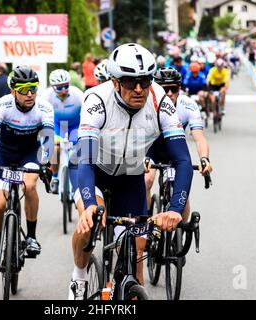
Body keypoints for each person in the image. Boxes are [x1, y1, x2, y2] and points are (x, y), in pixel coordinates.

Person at [68, 43, 193, 300]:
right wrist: (90, 204)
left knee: (138, 247)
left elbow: (182, 160)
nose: (139, 89)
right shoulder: (96, 100)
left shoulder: (159, 101)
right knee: (89, 224)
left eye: (145, 80)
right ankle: (79, 278)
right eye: (130, 81)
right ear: (115, 82)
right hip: (95, 171)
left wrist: (174, 208)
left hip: (130, 176)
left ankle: (132, 292)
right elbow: (86, 161)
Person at [0, 66, 55, 272]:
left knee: (29, 186)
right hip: (5, 155)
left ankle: (31, 236)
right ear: (13, 91)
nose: (30, 94)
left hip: (30, 154)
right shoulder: (3, 105)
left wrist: (46, 163)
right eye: (24, 89)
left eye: (33, 89)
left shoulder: (44, 108)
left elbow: (47, 139)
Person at [145, 67, 213, 222]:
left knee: (181, 190)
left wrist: (204, 158)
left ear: (179, 89)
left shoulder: (188, 105)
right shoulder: (147, 105)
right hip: (152, 148)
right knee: (146, 180)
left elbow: (199, 138)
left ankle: (178, 230)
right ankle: (145, 218)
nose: (169, 93)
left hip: (174, 149)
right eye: (165, 89)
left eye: (173, 89)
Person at [42, 69, 84, 194]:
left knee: (78, 151)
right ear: (53, 87)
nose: (64, 90)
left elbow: (88, 111)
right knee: (55, 148)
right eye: (59, 88)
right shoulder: (46, 95)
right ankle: (55, 177)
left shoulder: (77, 94)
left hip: (75, 126)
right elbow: (41, 113)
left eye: (66, 86)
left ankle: (79, 179)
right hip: (57, 125)